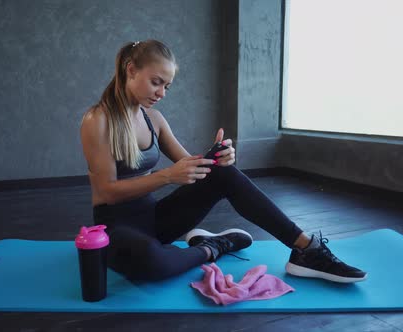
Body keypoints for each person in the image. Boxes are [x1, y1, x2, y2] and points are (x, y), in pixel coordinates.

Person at [80, 39, 367, 283]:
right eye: (156, 82)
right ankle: (215, 245)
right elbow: (106, 192)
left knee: (223, 173)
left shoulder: (153, 119)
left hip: (155, 220)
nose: (162, 93)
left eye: (167, 86)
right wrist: (167, 176)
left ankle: (306, 248)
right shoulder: (98, 120)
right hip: (115, 228)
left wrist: (216, 157)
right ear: (131, 70)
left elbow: (192, 165)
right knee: (155, 264)